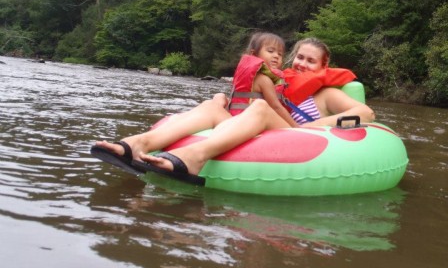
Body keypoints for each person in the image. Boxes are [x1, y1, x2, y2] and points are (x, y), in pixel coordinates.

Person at [93, 37, 375, 178]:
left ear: (324, 66)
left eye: (310, 61)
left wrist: (309, 126)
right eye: (299, 57)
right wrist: (222, 100)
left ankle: (194, 157)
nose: (301, 64)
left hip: (298, 133)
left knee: (262, 108)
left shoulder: (326, 93)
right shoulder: (281, 83)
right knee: (210, 105)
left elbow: (366, 114)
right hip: (264, 124)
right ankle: (137, 144)